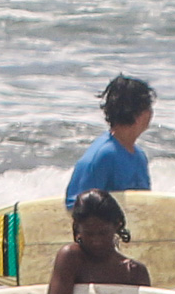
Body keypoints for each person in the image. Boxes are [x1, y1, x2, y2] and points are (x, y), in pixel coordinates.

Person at [64, 74, 155, 208]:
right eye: (148, 107)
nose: (151, 113)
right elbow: (74, 205)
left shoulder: (139, 156)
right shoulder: (103, 155)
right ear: (137, 113)